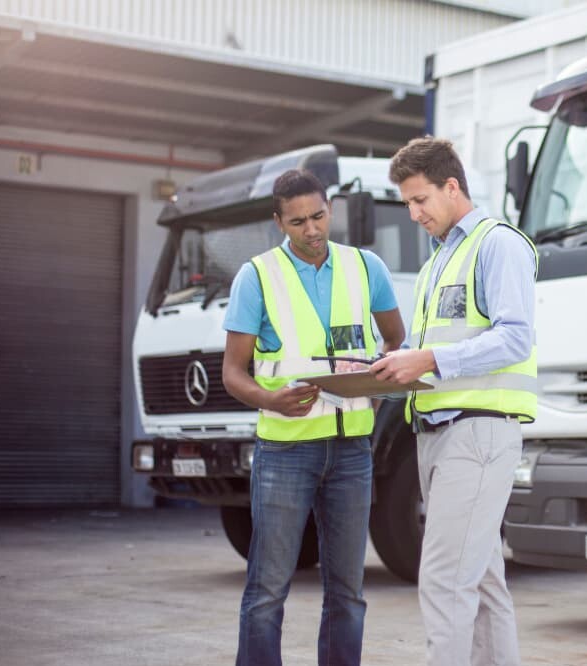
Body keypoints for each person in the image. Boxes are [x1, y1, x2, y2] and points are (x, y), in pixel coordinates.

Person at [221, 168, 405, 666]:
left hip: (352, 452)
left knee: (348, 593)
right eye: (298, 221)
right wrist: (270, 400)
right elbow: (233, 374)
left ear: (331, 209)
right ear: (279, 221)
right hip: (285, 451)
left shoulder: (367, 268)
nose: (312, 229)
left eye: (319, 216)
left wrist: (375, 385)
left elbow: (395, 340)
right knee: (267, 589)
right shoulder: (256, 277)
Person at [370, 137, 537, 666]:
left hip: (478, 433)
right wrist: (391, 364)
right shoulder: (439, 261)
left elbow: (516, 338)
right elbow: (435, 350)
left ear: (452, 186)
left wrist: (429, 360)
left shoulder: (497, 244)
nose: (414, 214)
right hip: (441, 436)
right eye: (407, 204)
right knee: (482, 585)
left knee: (444, 583)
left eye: (420, 200)